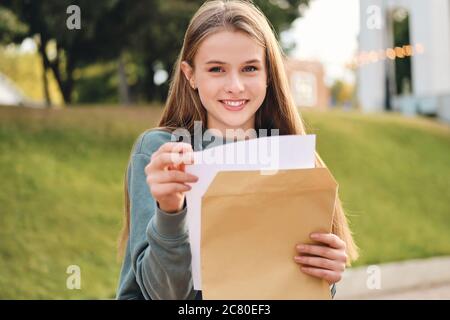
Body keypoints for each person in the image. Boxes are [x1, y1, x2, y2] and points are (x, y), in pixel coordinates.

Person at [116, 0, 358, 300]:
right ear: (190, 74)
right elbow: (166, 295)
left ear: (268, 74)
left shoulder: (293, 156)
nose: (235, 85)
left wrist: (325, 276)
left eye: (250, 68)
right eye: (217, 69)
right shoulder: (161, 152)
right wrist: (170, 210)